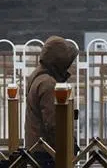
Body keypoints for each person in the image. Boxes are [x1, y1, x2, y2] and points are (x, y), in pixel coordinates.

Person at [25, 36, 79, 168]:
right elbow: (54, 123)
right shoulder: (48, 84)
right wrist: (67, 148)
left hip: (37, 147)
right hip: (47, 152)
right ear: (59, 63)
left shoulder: (37, 77)